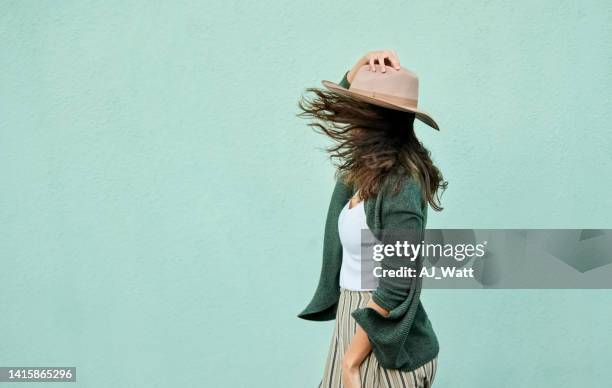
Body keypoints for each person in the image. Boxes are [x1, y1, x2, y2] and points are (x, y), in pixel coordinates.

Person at [297, 50, 446, 388]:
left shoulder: (401, 184)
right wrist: (360, 64)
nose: (347, 120)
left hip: (384, 336)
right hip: (355, 320)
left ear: (375, 122)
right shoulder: (362, 170)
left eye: (357, 112)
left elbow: (397, 282)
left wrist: (351, 362)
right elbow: (333, 106)